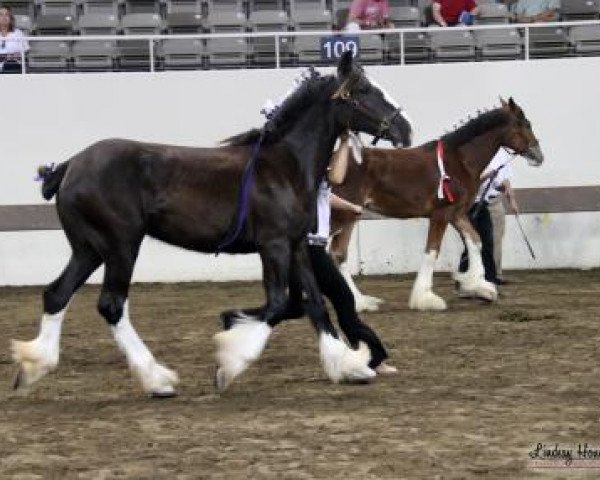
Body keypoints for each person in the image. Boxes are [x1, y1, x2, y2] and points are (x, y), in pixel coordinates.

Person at [305, 133, 397, 375]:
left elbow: (326, 193)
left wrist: (351, 207)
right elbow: (336, 177)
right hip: (309, 248)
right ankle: (374, 359)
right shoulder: (305, 167)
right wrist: (344, 142)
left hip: (309, 248)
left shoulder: (309, 168)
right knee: (344, 299)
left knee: (291, 306)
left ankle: (241, 322)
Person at [458, 148, 515, 285]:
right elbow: (472, 180)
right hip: (469, 205)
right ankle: (462, 281)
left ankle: (490, 280)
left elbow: (498, 183)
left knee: (488, 242)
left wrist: (502, 187)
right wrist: (490, 173)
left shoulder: (497, 156)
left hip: (484, 204)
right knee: (471, 244)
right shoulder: (471, 156)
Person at [488, 177, 519, 284]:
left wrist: (512, 201)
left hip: (494, 201)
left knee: (496, 241)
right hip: (475, 202)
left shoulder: (501, 160)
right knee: (474, 242)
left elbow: (506, 182)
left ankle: (496, 274)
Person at [0, 5, 28, 74]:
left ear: (10, 18)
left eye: (7, 15)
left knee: (10, 64)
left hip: (13, 65)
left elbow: (25, 51)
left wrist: (10, 57)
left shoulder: (18, 33)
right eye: (1, 15)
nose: (4, 17)